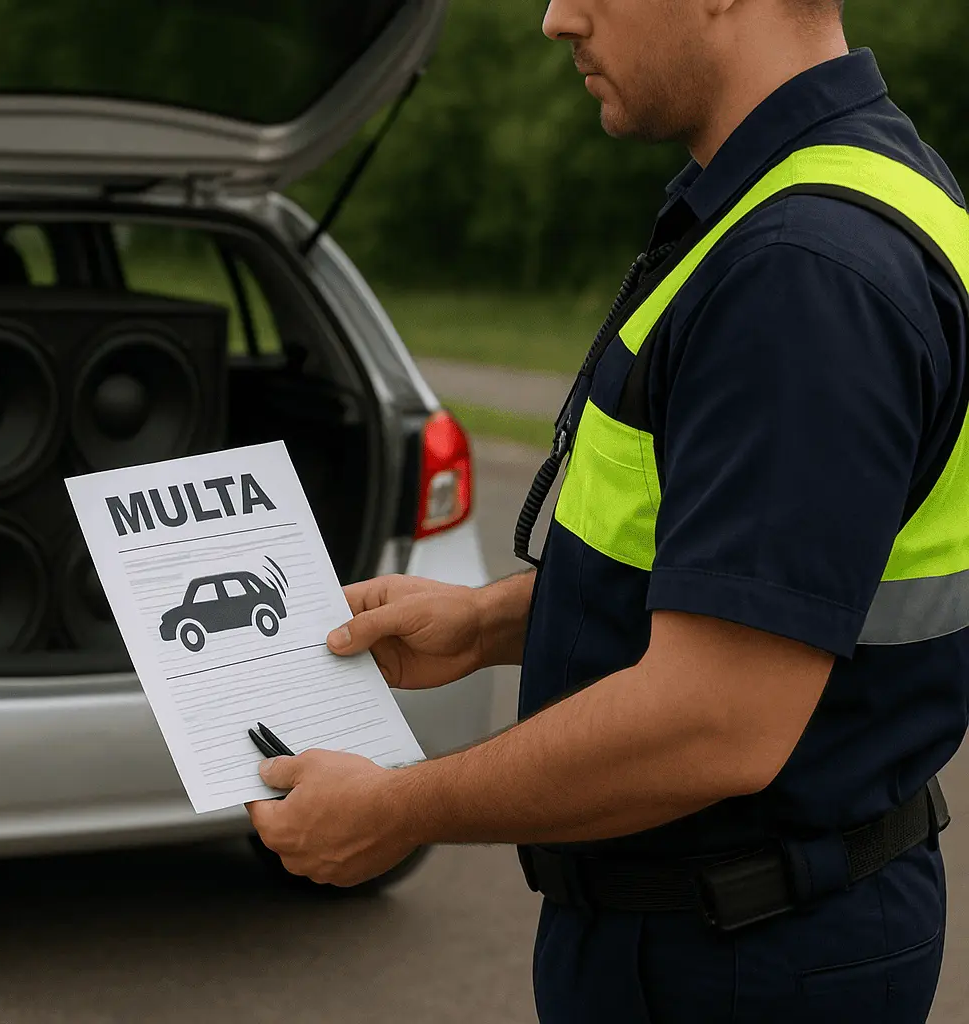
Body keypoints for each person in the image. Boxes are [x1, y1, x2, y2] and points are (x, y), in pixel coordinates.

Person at [246, 1, 969, 1020]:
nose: (556, 18)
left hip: (741, 958)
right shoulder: (848, 184)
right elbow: (754, 579)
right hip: (748, 923)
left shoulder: (801, 269)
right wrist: (487, 623)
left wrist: (394, 808)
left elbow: (715, 721)